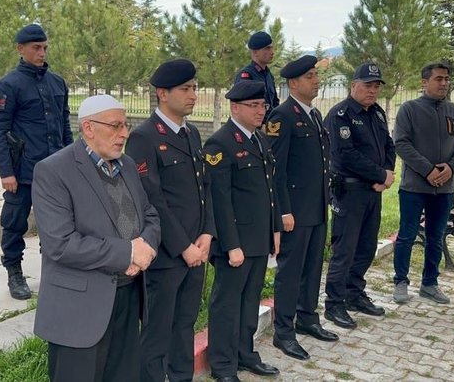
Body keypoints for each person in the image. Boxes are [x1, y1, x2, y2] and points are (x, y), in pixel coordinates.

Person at [31, 95, 160, 382]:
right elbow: (61, 243)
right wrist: (127, 253)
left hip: (128, 298)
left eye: (125, 125)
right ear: (89, 128)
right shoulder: (53, 171)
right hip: (79, 311)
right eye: (116, 126)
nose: (124, 133)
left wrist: (146, 248)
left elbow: (149, 214)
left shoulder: (127, 165)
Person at [125, 59, 215, 382]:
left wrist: (207, 233)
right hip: (166, 255)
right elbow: (152, 200)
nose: (194, 95)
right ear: (162, 94)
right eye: (185, 89)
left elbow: (204, 188)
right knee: (157, 333)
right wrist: (183, 247)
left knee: (184, 326)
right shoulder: (144, 137)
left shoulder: (191, 133)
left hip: (196, 251)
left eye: (195, 88)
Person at [203, 81, 282, 382]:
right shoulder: (220, 144)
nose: (261, 111)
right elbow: (219, 200)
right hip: (235, 243)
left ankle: (245, 354)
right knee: (227, 304)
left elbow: (270, 190)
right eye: (254, 106)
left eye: (263, 105)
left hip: (259, 238)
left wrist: (275, 229)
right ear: (235, 108)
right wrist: (230, 245)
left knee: (250, 301)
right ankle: (223, 365)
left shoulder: (259, 139)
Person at [0, 23, 73, 300]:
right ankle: (14, 272)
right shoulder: (9, 85)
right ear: (20, 49)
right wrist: (6, 171)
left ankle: (54, 273)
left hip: (55, 172)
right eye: (36, 48)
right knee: (14, 223)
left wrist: (72, 161)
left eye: (45, 47)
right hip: (23, 171)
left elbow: (64, 125)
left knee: (57, 226)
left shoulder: (57, 83)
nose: (42, 53)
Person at [266, 55, 337, 361]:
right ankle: (283, 332)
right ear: (293, 83)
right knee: (290, 272)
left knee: (312, 267)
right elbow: (276, 170)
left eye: (316, 75)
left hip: (317, 207)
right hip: (294, 212)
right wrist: (283, 211)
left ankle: (307, 317)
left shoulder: (314, 115)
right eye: (310, 77)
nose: (317, 80)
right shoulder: (282, 117)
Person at [392, 62, 454, 305]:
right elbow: (401, 143)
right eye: (439, 79)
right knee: (406, 235)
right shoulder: (409, 110)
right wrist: (427, 170)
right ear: (424, 82)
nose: (444, 83)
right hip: (414, 187)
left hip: (444, 188)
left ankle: (429, 283)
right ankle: (400, 281)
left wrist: (451, 167)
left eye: (446, 79)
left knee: (436, 237)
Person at [322, 63, 395, 329]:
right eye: (367, 85)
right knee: (345, 249)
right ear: (353, 85)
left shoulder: (376, 113)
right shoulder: (340, 115)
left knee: (366, 247)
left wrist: (386, 174)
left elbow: (388, 145)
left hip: (373, 191)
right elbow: (345, 155)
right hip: (349, 191)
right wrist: (380, 174)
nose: (372, 90)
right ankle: (334, 304)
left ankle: (354, 294)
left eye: (376, 86)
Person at [234, 31, 280, 123]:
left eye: (272, 48)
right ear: (255, 52)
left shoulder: (268, 75)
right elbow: (244, 106)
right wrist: (260, 126)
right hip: (255, 126)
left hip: (270, 124)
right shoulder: (247, 75)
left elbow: (274, 102)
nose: (272, 52)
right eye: (267, 48)